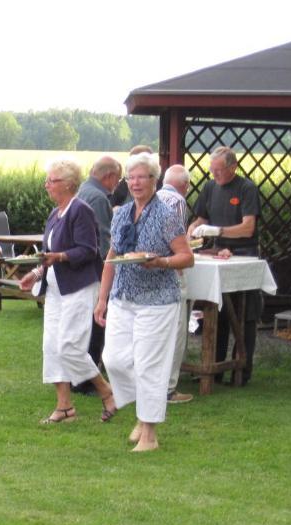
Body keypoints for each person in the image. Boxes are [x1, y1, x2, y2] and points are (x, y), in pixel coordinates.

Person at [94, 153, 194, 452]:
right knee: (113, 359)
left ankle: (149, 432)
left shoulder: (166, 215)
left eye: (142, 177)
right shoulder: (122, 213)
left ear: (155, 181)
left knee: (150, 365)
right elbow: (112, 257)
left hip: (158, 301)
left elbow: (186, 257)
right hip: (123, 297)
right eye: (131, 177)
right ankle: (142, 410)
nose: (136, 182)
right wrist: (102, 299)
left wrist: (160, 261)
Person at [19, 158, 117, 424]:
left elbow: (89, 250)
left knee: (70, 347)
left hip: (80, 286)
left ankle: (106, 391)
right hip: (55, 289)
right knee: (52, 347)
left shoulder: (80, 210)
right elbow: (47, 256)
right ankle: (64, 407)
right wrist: (36, 273)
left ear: (68, 184)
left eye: (52, 180)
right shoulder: (55, 214)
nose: (46, 185)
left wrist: (60, 256)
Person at [188, 146, 262, 385]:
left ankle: (242, 370)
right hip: (218, 252)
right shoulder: (210, 187)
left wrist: (218, 230)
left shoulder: (246, 188)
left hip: (244, 253)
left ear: (233, 167)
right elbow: (201, 216)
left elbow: (248, 227)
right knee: (217, 311)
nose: (215, 175)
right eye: (212, 170)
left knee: (245, 314)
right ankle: (215, 368)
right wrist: (193, 230)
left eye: (219, 170)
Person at [73, 155, 122, 394]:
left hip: (78, 269)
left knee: (81, 326)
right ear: (109, 176)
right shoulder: (99, 198)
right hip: (95, 270)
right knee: (96, 324)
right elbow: (104, 241)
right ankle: (88, 380)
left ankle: (77, 377)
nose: (118, 184)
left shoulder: (81, 190)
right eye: (119, 179)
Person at [156, 164, 194, 405]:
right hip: (169, 272)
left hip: (150, 274)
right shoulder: (178, 202)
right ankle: (168, 387)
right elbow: (177, 243)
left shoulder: (153, 197)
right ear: (186, 186)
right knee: (177, 329)